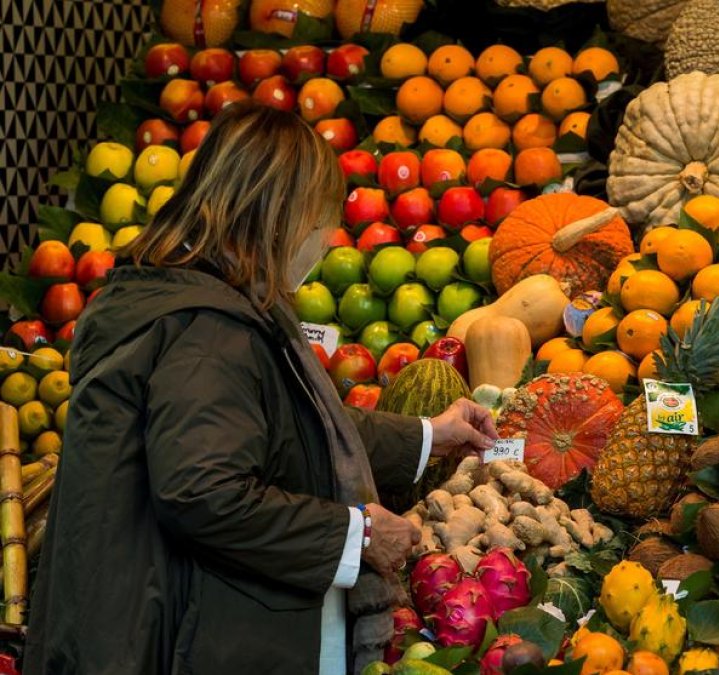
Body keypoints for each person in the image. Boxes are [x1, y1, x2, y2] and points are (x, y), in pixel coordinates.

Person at [24, 101, 498, 675]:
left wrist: (431, 434)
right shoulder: (210, 331)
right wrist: (357, 534)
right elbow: (204, 492)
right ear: (279, 215)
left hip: (140, 622)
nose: (326, 240)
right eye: (320, 218)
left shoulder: (192, 300)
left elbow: (290, 427)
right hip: (166, 639)